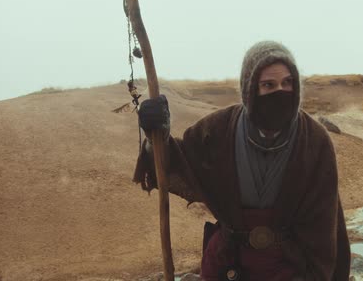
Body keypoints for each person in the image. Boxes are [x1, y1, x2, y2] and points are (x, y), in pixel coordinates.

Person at [134, 41, 351, 281]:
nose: (280, 91)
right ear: (250, 88)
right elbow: (176, 165)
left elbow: (322, 230)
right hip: (228, 264)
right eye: (268, 85)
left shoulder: (315, 141)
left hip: (289, 268)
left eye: (287, 83)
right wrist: (158, 135)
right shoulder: (218, 129)